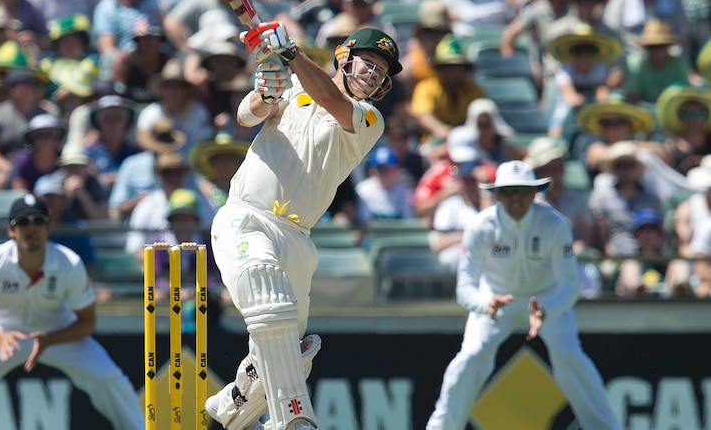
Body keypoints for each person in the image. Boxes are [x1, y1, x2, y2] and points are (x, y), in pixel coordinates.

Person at [204, 23, 403, 430]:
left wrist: (291, 53)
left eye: (381, 73)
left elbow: (329, 97)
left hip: (297, 240)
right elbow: (246, 116)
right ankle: (296, 422)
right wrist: (267, 93)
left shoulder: (369, 120)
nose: (373, 75)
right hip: (247, 218)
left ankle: (227, 410)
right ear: (344, 57)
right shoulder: (294, 88)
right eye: (368, 64)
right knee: (270, 306)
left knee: (293, 351)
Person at [425, 160, 620, 430]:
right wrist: (485, 305)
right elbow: (465, 287)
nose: (515, 198)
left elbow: (569, 286)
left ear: (534, 193)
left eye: (522, 190)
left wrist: (546, 309)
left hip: (546, 299)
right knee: (471, 357)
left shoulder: (554, 225)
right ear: (497, 194)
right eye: (507, 191)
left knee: (569, 355)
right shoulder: (481, 227)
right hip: (495, 299)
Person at [0, 194, 144, 429]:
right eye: (23, 222)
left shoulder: (69, 263)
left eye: (38, 221)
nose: (31, 228)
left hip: (58, 333)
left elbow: (87, 322)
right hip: (3, 334)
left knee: (107, 377)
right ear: (11, 230)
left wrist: (51, 339)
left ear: (49, 227)